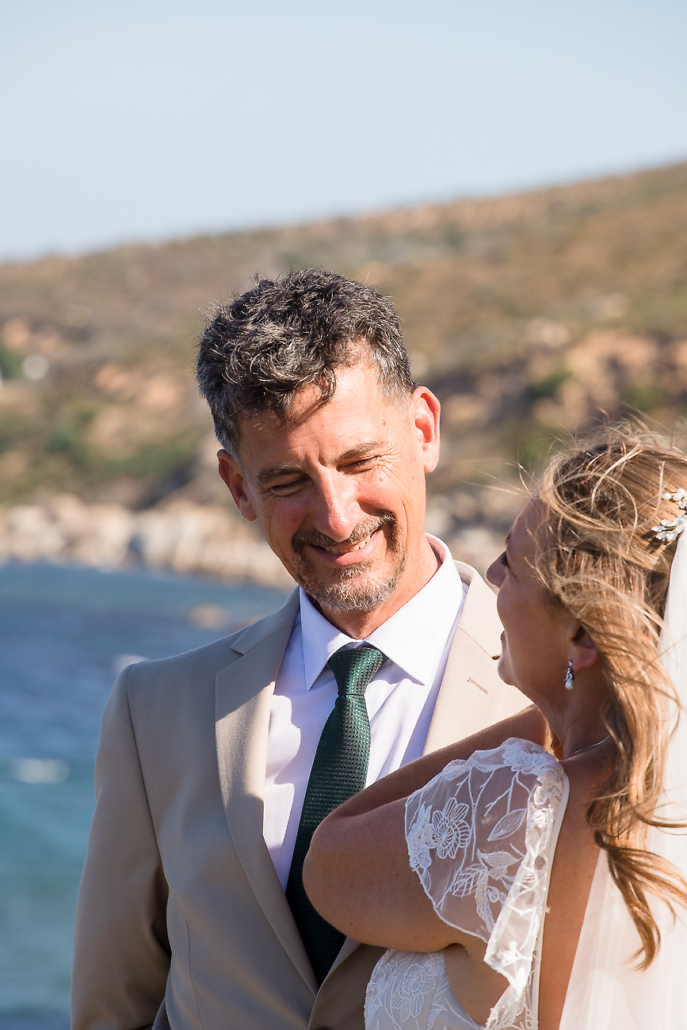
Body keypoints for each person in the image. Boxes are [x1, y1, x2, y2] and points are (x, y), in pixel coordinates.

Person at [71, 269, 530, 1030]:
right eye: (286, 481)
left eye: (358, 462)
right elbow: (110, 1009)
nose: (336, 516)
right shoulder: (153, 714)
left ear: (423, 430)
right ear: (237, 487)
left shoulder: (563, 693)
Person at [304, 426, 687, 1030]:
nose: (490, 574)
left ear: (583, 634)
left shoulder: (519, 811)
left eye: (512, 562)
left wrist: (554, 714)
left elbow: (329, 862)